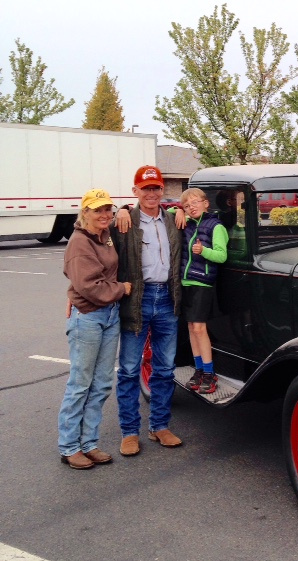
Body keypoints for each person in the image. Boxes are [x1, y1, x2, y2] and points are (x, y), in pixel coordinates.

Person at [110, 165, 183, 456]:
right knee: (129, 369)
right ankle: (129, 432)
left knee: (165, 369)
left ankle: (159, 427)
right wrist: (120, 210)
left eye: (156, 188)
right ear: (135, 191)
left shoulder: (174, 220)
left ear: (162, 190)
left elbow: (204, 213)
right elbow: (94, 236)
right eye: (145, 188)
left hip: (167, 299)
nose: (151, 193)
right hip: (136, 300)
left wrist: (180, 208)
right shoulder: (124, 220)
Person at [58, 189, 132, 469]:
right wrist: (122, 288)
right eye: (97, 209)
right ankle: (69, 446)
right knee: (80, 384)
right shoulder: (79, 243)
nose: (104, 215)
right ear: (84, 212)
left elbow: (156, 209)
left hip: (109, 316)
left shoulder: (105, 232)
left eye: (108, 209)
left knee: (101, 384)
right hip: (88, 316)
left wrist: (125, 208)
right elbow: (89, 286)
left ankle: (89, 443)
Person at [180, 188, 229, 393]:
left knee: (200, 329)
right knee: (191, 328)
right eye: (187, 206)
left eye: (195, 203)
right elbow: (169, 212)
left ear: (205, 203)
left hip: (202, 283)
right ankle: (199, 369)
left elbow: (221, 256)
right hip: (187, 282)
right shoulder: (188, 223)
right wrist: (178, 210)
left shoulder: (216, 226)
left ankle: (209, 373)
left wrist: (203, 251)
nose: (191, 208)